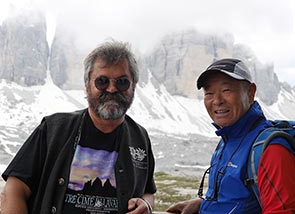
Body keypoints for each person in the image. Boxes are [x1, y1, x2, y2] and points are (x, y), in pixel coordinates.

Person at [0, 40, 156, 214]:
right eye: (102, 81)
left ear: (133, 86)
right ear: (87, 86)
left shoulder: (140, 137)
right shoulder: (53, 129)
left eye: (122, 82)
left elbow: (148, 191)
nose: (112, 89)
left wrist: (147, 205)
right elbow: (15, 189)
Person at [166, 58, 295, 214]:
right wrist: (202, 204)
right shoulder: (227, 140)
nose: (217, 100)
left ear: (250, 92)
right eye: (209, 93)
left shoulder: (271, 149)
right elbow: (233, 201)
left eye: (226, 90)